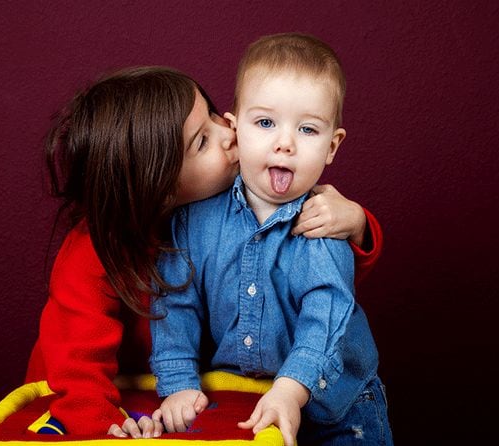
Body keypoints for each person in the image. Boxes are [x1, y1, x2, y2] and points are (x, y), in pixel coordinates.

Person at [24, 65, 384, 439]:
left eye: (213, 114)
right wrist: (99, 424)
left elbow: (314, 280)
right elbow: (75, 361)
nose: (229, 132)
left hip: (191, 396)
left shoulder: (237, 200)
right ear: (158, 186)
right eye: (202, 141)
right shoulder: (94, 249)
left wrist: (355, 224)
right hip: (93, 398)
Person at [150, 34, 392, 446]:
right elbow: (175, 300)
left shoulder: (322, 221)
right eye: (265, 123)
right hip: (243, 400)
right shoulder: (195, 219)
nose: (285, 142)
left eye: (308, 129)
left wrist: (290, 388)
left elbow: (326, 312)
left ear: (332, 146)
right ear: (234, 128)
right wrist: (177, 382)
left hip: (337, 408)